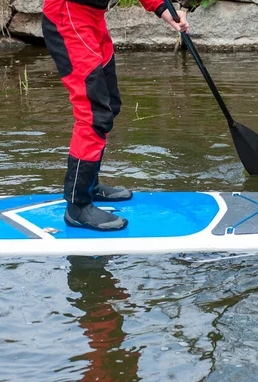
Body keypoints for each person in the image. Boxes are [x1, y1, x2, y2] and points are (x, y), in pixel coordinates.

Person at [42, 0, 190, 232]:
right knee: (93, 114)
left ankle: (90, 186)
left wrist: (162, 8)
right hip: (68, 17)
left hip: (93, 18)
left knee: (109, 105)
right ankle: (77, 205)